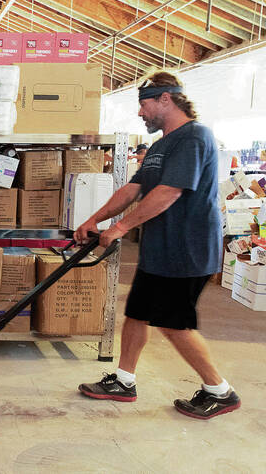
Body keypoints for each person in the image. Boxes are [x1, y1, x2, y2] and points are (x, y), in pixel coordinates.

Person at [74, 71, 240, 420]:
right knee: (137, 313)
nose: (140, 113)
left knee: (173, 323)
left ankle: (220, 391)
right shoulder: (161, 145)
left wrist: (120, 227)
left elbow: (170, 192)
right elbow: (133, 190)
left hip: (187, 249)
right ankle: (124, 380)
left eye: (143, 105)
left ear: (166, 99)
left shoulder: (195, 137)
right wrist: (95, 220)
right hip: (160, 249)